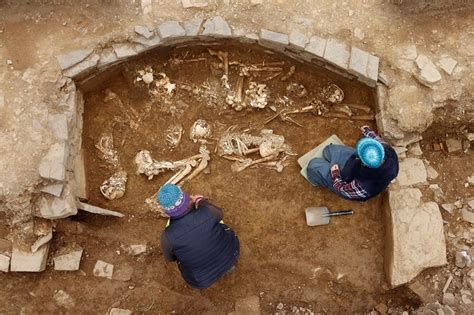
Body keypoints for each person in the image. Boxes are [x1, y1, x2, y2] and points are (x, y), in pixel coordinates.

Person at [157, 183, 240, 289]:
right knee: (220, 225)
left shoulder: (167, 237)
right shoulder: (208, 211)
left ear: (166, 211)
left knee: (182, 258)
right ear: (186, 198)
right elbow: (220, 215)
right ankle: (228, 268)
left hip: (200, 280)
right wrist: (201, 201)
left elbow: (170, 258)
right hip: (231, 255)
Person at [307, 125, 399, 201]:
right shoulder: (389, 152)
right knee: (327, 150)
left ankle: (316, 179)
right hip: (353, 164)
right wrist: (367, 131)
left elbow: (342, 189)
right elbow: (379, 141)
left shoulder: (363, 185)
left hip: (346, 179)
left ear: (363, 161)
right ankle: (327, 166)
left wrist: (335, 174)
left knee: (313, 165)